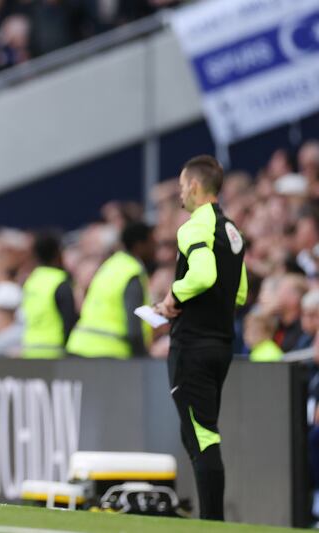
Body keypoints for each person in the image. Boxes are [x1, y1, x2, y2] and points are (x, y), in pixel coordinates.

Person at [155, 155, 248, 521]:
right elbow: (239, 292)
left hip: (192, 346)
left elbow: (204, 275)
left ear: (194, 187)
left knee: (202, 437)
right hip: (221, 345)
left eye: (180, 188)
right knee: (200, 432)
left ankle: (212, 524)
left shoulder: (195, 226)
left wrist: (172, 297)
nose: (180, 195)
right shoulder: (232, 231)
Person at [67, 221, 155, 358]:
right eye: (151, 242)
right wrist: (144, 360)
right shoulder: (132, 273)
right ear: (139, 245)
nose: (154, 248)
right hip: (108, 353)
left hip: (79, 347)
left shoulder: (109, 265)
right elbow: (134, 330)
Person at [21, 229, 76, 358]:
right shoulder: (60, 281)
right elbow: (69, 320)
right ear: (58, 252)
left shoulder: (31, 281)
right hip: (54, 351)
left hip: (30, 349)